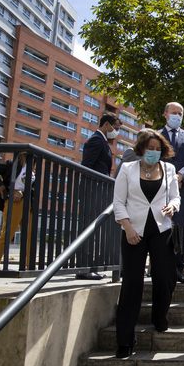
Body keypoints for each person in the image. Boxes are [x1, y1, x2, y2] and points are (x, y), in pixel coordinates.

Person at [113, 130, 180, 358]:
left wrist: (173, 207)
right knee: (132, 284)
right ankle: (124, 340)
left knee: (165, 277)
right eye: (149, 148)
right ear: (141, 148)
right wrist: (128, 229)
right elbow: (119, 202)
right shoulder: (127, 169)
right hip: (134, 231)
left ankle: (159, 316)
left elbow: (175, 197)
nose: (153, 152)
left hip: (161, 229)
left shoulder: (169, 169)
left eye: (157, 149)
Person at [158, 102, 184, 283]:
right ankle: (160, 267)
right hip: (159, 190)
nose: (177, 116)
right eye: (174, 113)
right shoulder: (156, 136)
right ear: (165, 114)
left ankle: (180, 268)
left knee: (182, 229)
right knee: (161, 228)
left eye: (180, 113)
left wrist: (181, 175)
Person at [78, 111, 122, 280]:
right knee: (89, 229)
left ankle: (90, 266)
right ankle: (84, 268)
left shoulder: (102, 141)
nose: (116, 132)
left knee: (94, 230)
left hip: (98, 190)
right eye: (115, 128)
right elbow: (88, 166)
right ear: (106, 124)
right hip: (93, 190)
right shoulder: (96, 140)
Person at [0, 153, 34, 269]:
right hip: (15, 200)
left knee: (30, 235)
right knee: (8, 233)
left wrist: (22, 192)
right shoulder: (13, 164)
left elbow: (30, 186)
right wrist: (1, 185)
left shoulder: (32, 167)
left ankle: (29, 265)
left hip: (28, 202)